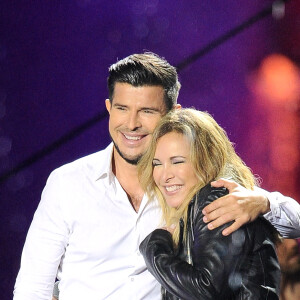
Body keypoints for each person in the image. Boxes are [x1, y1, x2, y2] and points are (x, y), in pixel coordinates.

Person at [13, 52, 300, 300]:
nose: (132, 124)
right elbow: (32, 289)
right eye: (122, 109)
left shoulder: (187, 185)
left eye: (147, 111)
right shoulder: (68, 183)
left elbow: (294, 225)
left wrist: (264, 203)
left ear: (173, 114)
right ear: (109, 109)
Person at [139, 108, 281, 299]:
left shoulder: (217, 199)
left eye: (177, 161)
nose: (164, 176)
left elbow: (206, 291)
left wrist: (154, 250)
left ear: (207, 161)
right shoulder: (193, 209)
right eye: (157, 163)